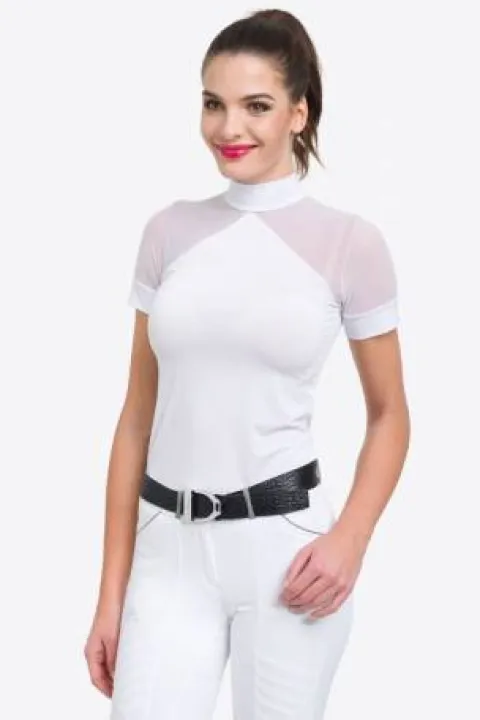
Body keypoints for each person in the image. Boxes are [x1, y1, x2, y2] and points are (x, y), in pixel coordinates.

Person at [84, 8, 410, 720]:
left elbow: (390, 415)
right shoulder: (168, 232)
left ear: (299, 112)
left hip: (287, 557)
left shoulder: (349, 243)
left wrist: (351, 539)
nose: (228, 128)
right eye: (214, 104)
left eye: (256, 106)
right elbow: (136, 421)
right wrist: (111, 594)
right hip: (167, 556)